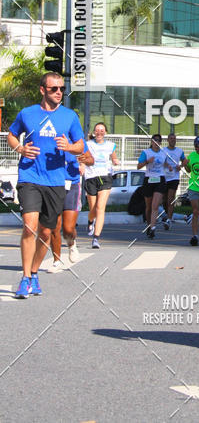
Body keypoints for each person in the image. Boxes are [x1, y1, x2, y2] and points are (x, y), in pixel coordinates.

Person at [7, 72, 84, 298]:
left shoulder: (70, 117)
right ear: (43, 90)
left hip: (55, 181)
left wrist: (69, 147)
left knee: (47, 232)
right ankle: (25, 278)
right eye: (54, 89)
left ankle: (34, 272)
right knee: (29, 226)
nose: (59, 92)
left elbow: (80, 146)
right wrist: (20, 149)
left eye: (61, 88)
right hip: (30, 176)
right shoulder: (27, 113)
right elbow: (11, 135)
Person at [50, 143, 90, 267]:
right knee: (54, 226)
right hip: (52, 184)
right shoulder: (47, 135)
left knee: (68, 229)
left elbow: (89, 158)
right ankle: (56, 261)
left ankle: (71, 244)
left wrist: (83, 163)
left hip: (71, 183)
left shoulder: (76, 138)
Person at [82, 122, 118, 249]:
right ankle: (90, 221)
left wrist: (115, 161)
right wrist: (81, 166)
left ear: (106, 133)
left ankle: (96, 238)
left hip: (105, 177)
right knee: (93, 208)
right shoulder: (88, 144)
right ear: (94, 132)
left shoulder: (110, 145)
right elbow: (82, 158)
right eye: (97, 130)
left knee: (100, 208)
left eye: (102, 131)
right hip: (91, 177)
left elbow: (114, 157)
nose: (99, 133)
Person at [137, 133, 174, 239]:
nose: (156, 143)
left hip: (160, 179)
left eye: (158, 141)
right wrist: (147, 161)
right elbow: (139, 166)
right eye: (154, 141)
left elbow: (164, 163)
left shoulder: (163, 153)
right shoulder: (146, 152)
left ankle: (153, 228)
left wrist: (169, 166)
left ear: (160, 142)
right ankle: (149, 225)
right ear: (151, 142)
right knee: (148, 207)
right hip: (149, 179)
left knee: (155, 205)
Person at [162, 132, 185, 230]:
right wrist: (167, 165)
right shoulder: (163, 150)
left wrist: (181, 166)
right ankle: (167, 215)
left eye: (174, 139)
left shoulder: (179, 151)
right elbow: (161, 161)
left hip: (174, 177)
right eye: (171, 138)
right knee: (164, 199)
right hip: (164, 176)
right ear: (167, 140)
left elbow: (185, 160)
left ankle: (169, 219)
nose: (173, 140)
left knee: (170, 199)